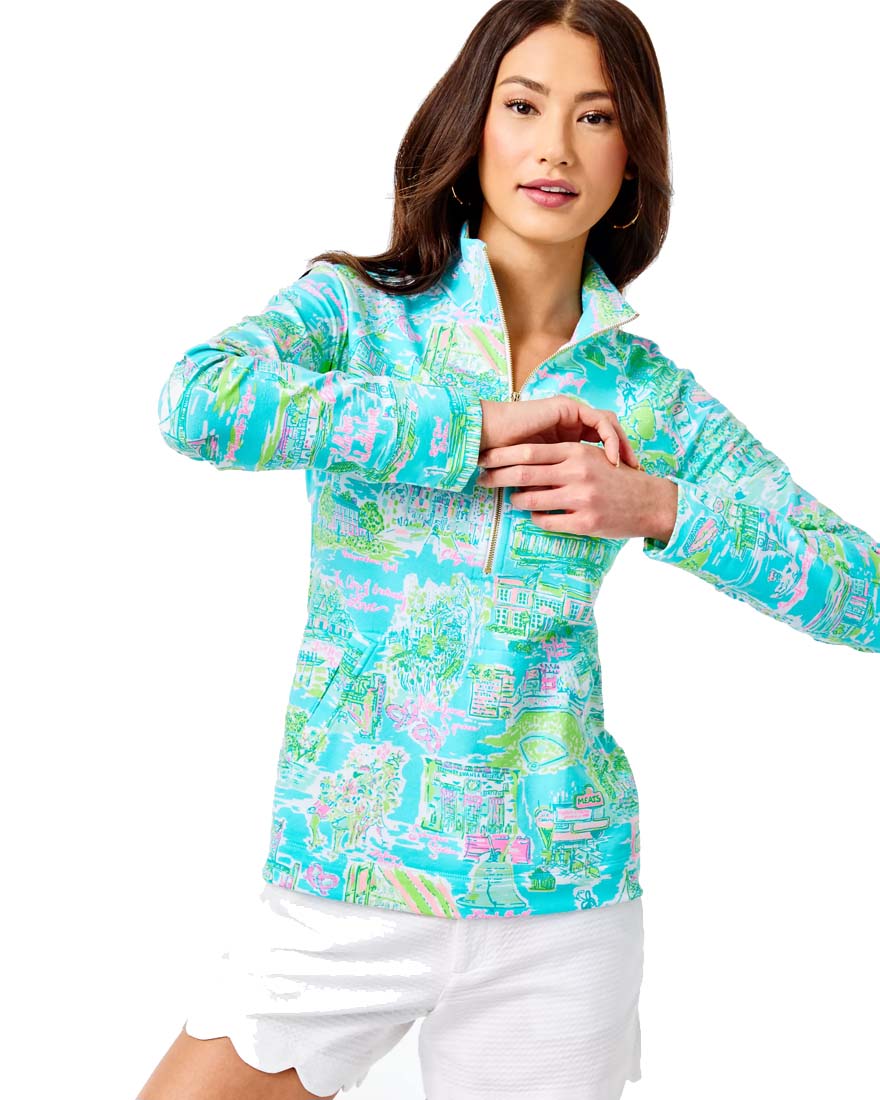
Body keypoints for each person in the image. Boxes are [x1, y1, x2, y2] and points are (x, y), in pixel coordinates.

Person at [137, 2, 880, 1098]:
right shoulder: (357, 314)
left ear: (632, 158)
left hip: (562, 902)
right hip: (348, 875)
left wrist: (657, 506)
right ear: (471, 125)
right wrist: (470, 429)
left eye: (597, 117)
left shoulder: (649, 394)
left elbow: (865, 592)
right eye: (524, 106)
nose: (555, 148)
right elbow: (197, 402)